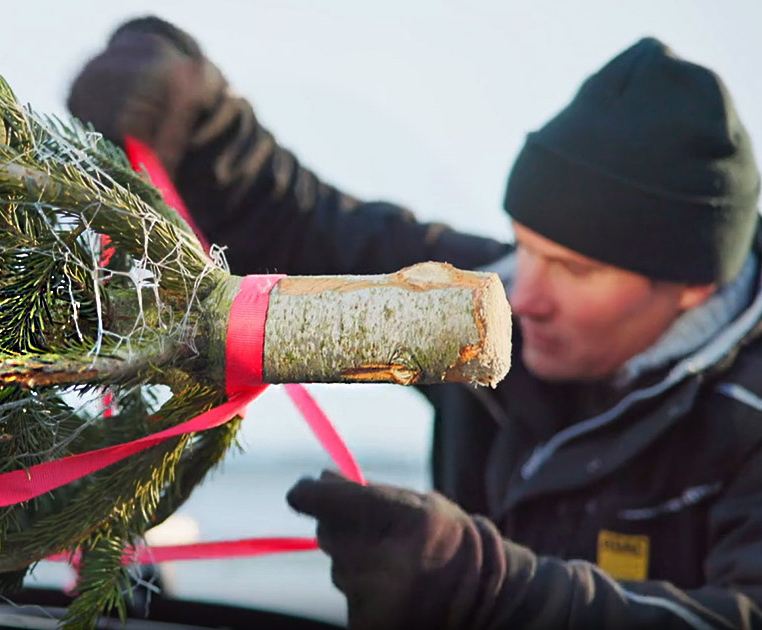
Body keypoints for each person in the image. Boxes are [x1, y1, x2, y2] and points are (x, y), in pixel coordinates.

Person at [68, 17, 762, 630]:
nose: (525, 296)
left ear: (693, 282)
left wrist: (487, 590)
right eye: (524, 245)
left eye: (575, 269)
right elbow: (301, 224)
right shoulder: (480, 292)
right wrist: (193, 116)